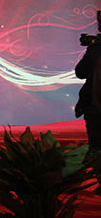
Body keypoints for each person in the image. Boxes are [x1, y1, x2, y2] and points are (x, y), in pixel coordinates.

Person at [75, 11, 101, 195]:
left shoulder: (96, 48)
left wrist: (91, 48)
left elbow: (80, 72)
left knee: (97, 144)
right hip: (93, 104)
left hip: (94, 104)